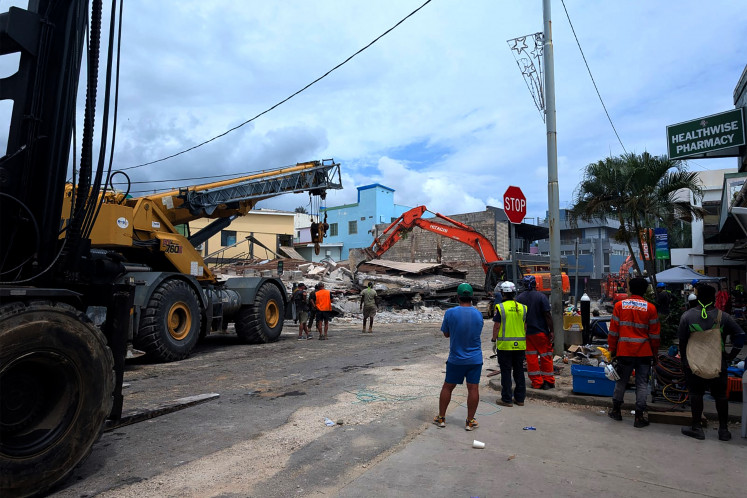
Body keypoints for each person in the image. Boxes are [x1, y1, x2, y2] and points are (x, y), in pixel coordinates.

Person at [678, 283, 745, 441]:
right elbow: (741, 336)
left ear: (698, 297)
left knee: (696, 394)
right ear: (714, 298)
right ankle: (723, 430)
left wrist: (685, 362)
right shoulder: (723, 317)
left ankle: (697, 428)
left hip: (694, 364)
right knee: (721, 396)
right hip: (718, 362)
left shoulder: (687, 317)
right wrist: (730, 355)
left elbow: (681, 342)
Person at [607, 277, 660, 428]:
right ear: (645, 290)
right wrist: (654, 354)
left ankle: (616, 411)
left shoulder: (619, 306)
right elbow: (655, 335)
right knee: (642, 383)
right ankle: (639, 417)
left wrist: (612, 350)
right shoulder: (650, 308)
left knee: (621, 381)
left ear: (630, 288)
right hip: (644, 352)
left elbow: (613, 332)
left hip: (624, 351)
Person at [433, 283, 484, 431]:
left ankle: (441, 418)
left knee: (448, 387)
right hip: (475, 359)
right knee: (473, 388)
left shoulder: (450, 313)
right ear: (472, 297)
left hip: (456, 358)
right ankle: (469, 421)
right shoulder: (478, 314)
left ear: (457, 296)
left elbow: (446, 334)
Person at [492, 281, 528, 407]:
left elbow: (496, 326)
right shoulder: (523, 308)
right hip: (520, 346)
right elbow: (525, 326)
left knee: (506, 372)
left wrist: (493, 340)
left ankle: (506, 399)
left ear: (503, 293)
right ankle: (520, 399)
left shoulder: (500, 307)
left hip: (505, 346)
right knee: (519, 372)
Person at [516, 275, 555, 390]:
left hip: (527, 334)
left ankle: (537, 382)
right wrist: (551, 330)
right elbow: (547, 315)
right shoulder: (541, 297)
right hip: (541, 333)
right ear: (535, 284)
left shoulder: (519, 298)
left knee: (531, 358)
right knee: (546, 356)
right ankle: (548, 381)